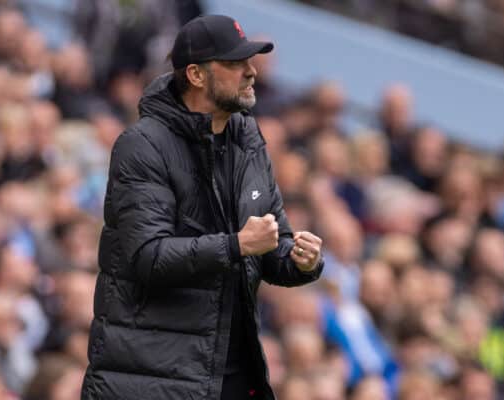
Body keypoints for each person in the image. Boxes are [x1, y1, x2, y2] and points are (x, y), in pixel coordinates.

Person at [81, 14, 324, 400]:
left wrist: (300, 260)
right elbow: (147, 257)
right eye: (235, 63)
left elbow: (271, 243)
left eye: (251, 61)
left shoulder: (248, 138)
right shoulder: (143, 145)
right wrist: (237, 245)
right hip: (151, 378)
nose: (251, 72)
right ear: (196, 75)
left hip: (230, 373)